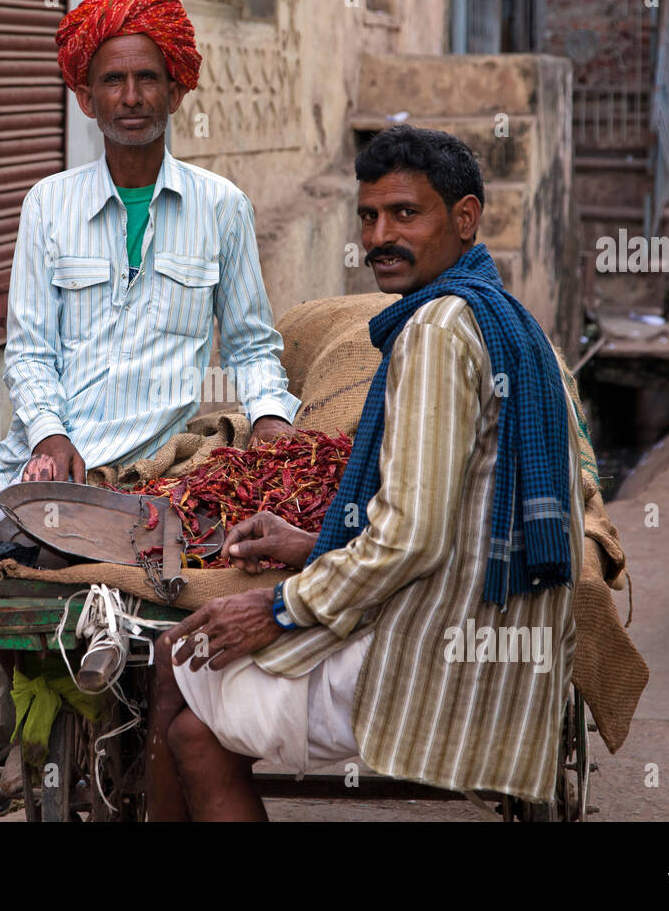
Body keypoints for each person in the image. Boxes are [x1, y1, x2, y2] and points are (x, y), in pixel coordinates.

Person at [0, 0, 299, 821]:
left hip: (159, 472)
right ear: (85, 97)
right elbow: (28, 349)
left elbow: (250, 344)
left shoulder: (222, 209)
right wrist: (51, 436)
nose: (132, 98)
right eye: (114, 82)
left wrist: (273, 413)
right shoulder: (49, 205)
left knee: (178, 626)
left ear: (175, 88)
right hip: (50, 465)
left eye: (147, 79)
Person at [145, 126, 586, 820]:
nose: (381, 235)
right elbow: (446, 507)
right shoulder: (498, 315)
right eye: (369, 216)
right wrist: (310, 544)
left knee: (183, 685)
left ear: (464, 217)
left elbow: (411, 538)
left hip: (433, 656)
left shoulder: (436, 334)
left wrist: (276, 608)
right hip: (489, 631)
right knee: (187, 674)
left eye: (406, 214)